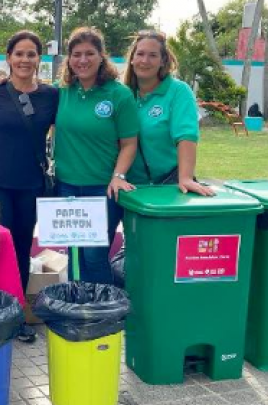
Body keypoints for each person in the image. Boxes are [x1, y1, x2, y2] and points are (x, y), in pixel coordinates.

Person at [0, 30, 59, 342]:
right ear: (8, 58)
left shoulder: (51, 96)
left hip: (30, 184)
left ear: (39, 59)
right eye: (18, 53)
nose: (24, 59)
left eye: (31, 54)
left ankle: (16, 315)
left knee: (21, 249)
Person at [53, 27, 138, 284]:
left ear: (102, 56)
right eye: (76, 54)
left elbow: (129, 144)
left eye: (89, 53)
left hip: (102, 188)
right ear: (69, 59)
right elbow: (27, 92)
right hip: (66, 186)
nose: (83, 60)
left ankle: (103, 306)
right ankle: (77, 303)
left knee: (94, 255)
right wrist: (0, 80)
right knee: (73, 253)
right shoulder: (62, 91)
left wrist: (118, 176)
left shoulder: (119, 94)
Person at [122, 30, 214, 196]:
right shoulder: (123, 94)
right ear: (132, 59)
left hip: (168, 186)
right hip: (129, 189)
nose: (145, 61)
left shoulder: (178, 91)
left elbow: (186, 135)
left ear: (163, 61)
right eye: (140, 54)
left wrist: (185, 177)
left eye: (153, 55)